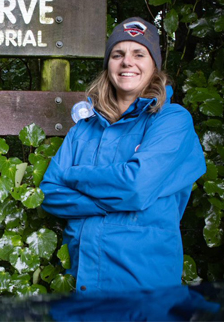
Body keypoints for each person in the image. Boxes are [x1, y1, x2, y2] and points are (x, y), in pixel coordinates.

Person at [40, 16, 206, 293]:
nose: (127, 62)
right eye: (118, 54)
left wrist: (72, 176)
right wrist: (121, 199)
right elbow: (50, 193)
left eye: (139, 54)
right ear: (108, 65)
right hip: (80, 280)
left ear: (154, 65)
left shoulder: (172, 121)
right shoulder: (85, 128)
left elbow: (136, 186)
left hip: (143, 283)